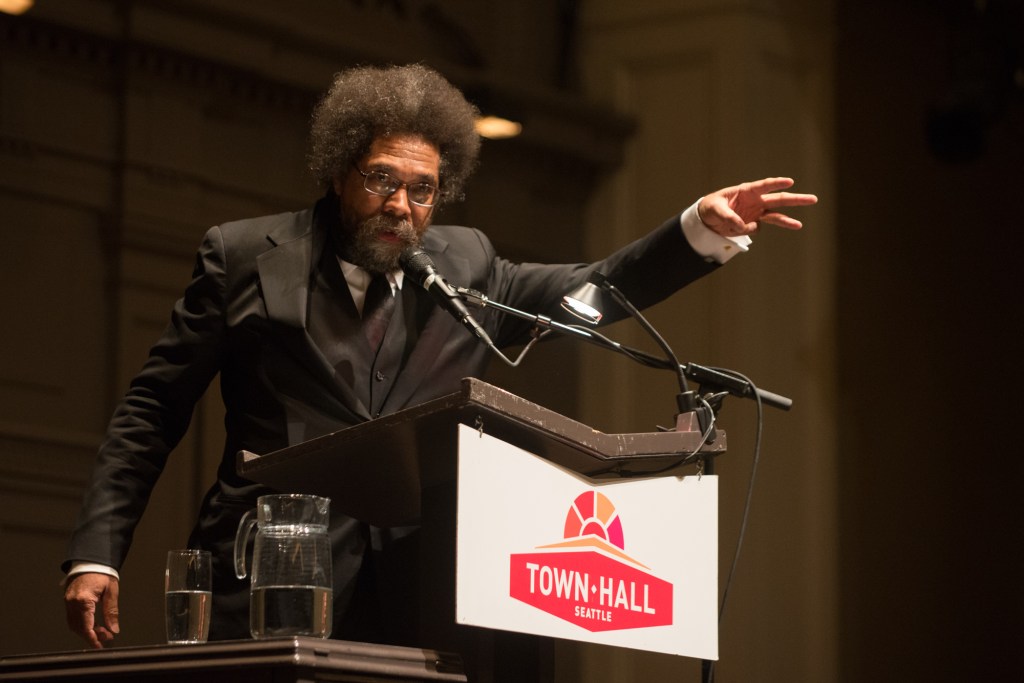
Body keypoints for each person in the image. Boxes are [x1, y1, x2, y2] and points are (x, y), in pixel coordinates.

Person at [63, 64, 817, 653]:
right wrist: (98, 552)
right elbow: (150, 412)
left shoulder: (467, 267)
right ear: (338, 172)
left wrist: (696, 232)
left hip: (425, 595)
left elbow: (592, 291)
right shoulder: (243, 256)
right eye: (381, 180)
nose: (400, 206)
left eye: (422, 190)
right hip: (269, 583)